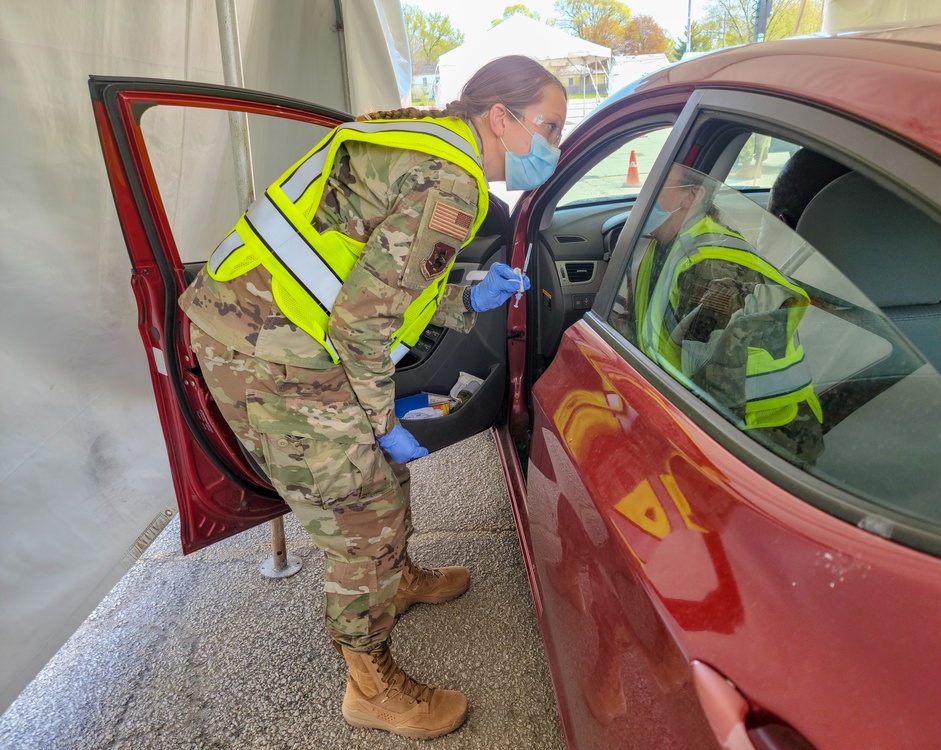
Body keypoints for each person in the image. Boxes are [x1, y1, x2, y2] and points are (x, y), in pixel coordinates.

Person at [178, 55, 567, 740]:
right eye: (549, 127)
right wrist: (381, 421)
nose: (553, 147)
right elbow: (363, 324)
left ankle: (399, 578)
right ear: (500, 118)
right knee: (365, 514)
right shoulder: (451, 185)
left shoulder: (423, 136)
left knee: (381, 480)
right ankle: (370, 685)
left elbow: (371, 283)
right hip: (266, 347)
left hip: (264, 320)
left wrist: (462, 297)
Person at [614, 163, 824, 464]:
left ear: (692, 195)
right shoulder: (665, 246)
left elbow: (715, 401)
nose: (643, 196)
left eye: (658, 186)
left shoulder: (710, 269)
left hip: (768, 445)